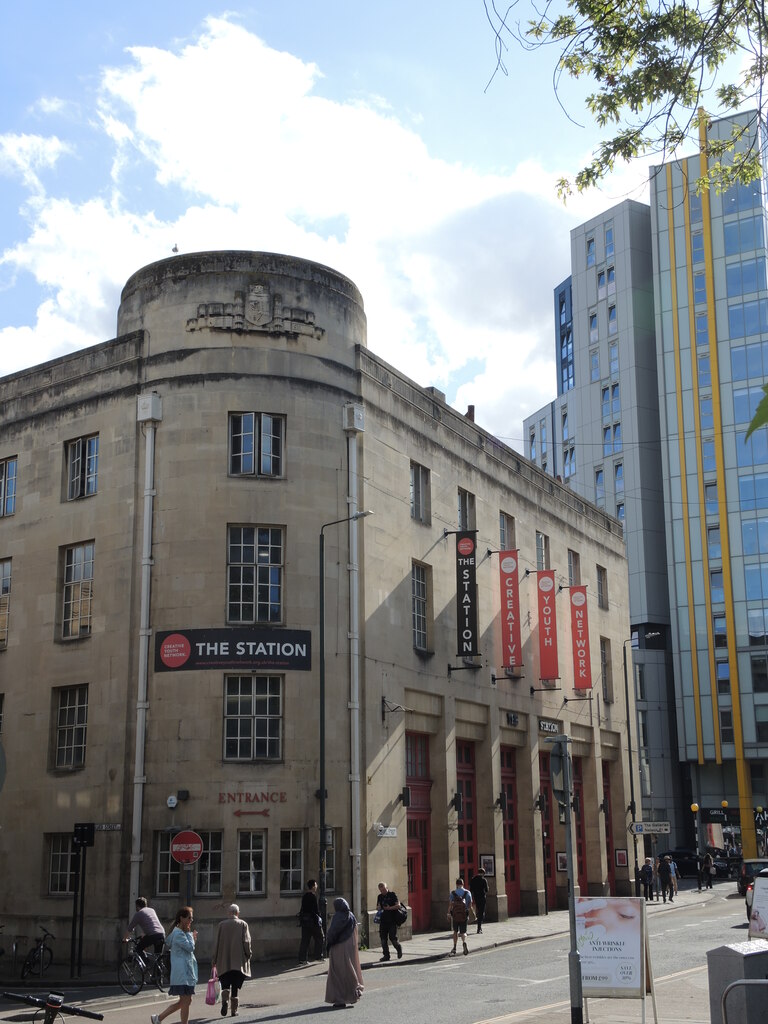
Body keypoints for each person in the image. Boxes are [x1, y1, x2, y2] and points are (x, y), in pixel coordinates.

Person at [151, 907, 197, 1024]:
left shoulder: (180, 933)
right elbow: (190, 948)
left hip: (183, 972)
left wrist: (189, 934)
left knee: (185, 1001)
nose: (191, 920)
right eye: (189, 918)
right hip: (182, 973)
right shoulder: (179, 934)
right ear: (181, 918)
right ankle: (160, 1018)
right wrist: (192, 937)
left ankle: (158, 1018)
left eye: (191, 917)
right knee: (185, 1002)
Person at [212, 904, 252, 1018]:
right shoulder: (243, 924)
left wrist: (214, 959)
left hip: (223, 960)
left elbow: (216, 943)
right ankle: (234, 1010)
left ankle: (225, 1001)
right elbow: (246, 941)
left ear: (228, 913)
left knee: (225, 983)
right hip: (238, 961)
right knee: (235, 985)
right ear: (238, 913)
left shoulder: (221, 925)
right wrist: (248, 954)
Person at [324, 897, 364, 1008]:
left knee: (337, 973)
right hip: (350, 947)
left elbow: (333, 932)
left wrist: (328, 943)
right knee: (350, 970)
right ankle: (352, 995)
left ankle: (339, 999)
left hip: (338, 947)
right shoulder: (351, 916)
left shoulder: (338, 916)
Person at [375, 881, 404, 962]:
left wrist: (389, 908)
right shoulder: (379, 897)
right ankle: (386, 955)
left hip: (392, 920)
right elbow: (377, 907)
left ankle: (398, 948)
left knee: (392, 938)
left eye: (383, 890)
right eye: (381, 890)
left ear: (387, 888)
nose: (382, 892)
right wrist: (379, 908)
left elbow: (398, 906)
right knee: (383, 939)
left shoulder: (392, 895)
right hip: (383, 921)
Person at [298, 879, 325, 965]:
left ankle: (302, 959)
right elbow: (315, 910)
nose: (316, 887)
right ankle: (318, 956)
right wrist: (319, 917)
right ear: (313, 886)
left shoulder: (305, 896)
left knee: (305, 940)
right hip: (313, 921)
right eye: (316, 885)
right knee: (320, 937)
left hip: (305, 921)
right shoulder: (313, 896)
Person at [448, 877, 473, 956]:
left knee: (455, 931)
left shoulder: (453, 893)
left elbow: (450, 905)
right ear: (463, 884)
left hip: (455, 915)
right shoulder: (467, 893)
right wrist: (470, 912)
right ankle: (464, 942)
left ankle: (454, 947)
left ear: (456, 884)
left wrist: (448, 913)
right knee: (463, 932)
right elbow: (470, 904)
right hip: (464, 915)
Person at [469, 867, 489, 934]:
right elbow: (486, 890)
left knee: (478, 910)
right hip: (482, 897)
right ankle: (479, 927)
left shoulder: (473, 879)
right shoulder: (484, 880)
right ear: (483, 873)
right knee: (481, 912)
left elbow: (471, 889)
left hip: (476, 897)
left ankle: (479, 923)